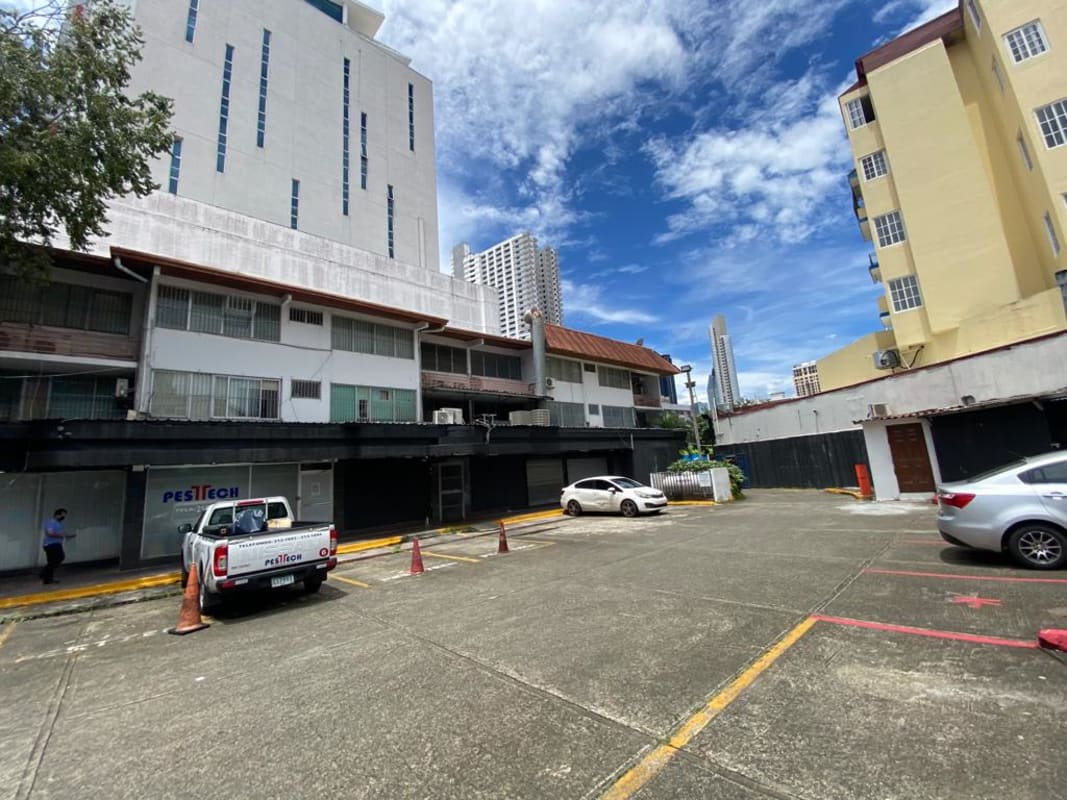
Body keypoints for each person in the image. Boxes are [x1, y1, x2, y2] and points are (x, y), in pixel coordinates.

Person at [41, 508, 76, 585]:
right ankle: (46, 577)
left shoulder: (58, 523)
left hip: (56, 544)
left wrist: (68, 535)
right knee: (54, 560)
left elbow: (61, 533)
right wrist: (62, 535)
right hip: (51, 544)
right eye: (62, 515)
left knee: (56, 560)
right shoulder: (51, 522)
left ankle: (46, 575)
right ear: (57, 515)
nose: (63, 517)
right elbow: (50, 533)